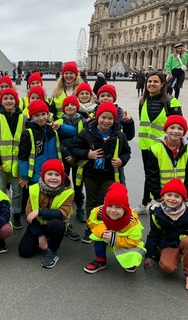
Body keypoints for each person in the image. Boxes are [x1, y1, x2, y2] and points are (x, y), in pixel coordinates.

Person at [70, 102, 131, 243]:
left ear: (114, 120)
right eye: (103, 117)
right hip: (91, 174)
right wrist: (87, 154)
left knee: (110, 202)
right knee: (91, 202)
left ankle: (110, 227)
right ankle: (91, 228)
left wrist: (122, 160)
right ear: (97, 117)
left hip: (109, 175)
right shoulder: (86, 133)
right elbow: (74, 148)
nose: (106, 121)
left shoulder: (119, 135)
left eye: (110, 118)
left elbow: (127, 152)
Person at [144, 179, 188, 293]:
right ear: (163, 196)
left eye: (177, 196)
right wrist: (148, 255)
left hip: (187, 239)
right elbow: (154, 234)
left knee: (187, 241)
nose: (172, 199)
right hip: (169, 242)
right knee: (167, 268)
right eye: (169, 195)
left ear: (183, 199)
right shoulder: (156, 213)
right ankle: (174, 254)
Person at [18, 100, 76, 224]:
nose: (41, 118)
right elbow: (22, 157)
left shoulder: (53, 129)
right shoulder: (28, 133)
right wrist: (24, 176)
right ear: (31, 116)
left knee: (51, 200)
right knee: (36, 200)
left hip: (53, 173)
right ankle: (34, 221)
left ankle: (50, 220)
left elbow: (73, 131)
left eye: (44, 114)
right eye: (37, 115)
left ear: (48, 114)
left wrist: (60, 127)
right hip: (36, 174)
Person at [135, 71, 182, 215]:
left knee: (163, 175)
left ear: (163, 84)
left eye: (155, 81)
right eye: (149, 81)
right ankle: (146, 203)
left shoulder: (171, 102)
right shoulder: (143, 101)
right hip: (146, 145)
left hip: (163, 147)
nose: (151, 84)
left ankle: (162, 203)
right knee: (149, 175)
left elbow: (178, 126)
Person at [18, 159, 74, 269]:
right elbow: (29, 215)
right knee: (24, 251)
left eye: (57, 175)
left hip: (54, 226)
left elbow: (62, 214)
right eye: (49, 174)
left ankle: (52, 251)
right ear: (43, 176)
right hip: (37, 224)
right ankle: (43, 240)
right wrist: (40, 235)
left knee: (57, 224)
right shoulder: (34, 189)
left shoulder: (67, 192)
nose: (53, 177)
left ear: (62, 177)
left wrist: (40, 212)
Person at [84, 183, 145, 273]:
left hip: (125, 242)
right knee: (97, 236)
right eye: (109, 206)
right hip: (106, 237)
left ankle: (130, 263)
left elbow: (135, 241)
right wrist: (103, 231)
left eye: (118, 207)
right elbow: (90, 222)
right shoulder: (98, 212)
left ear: (125, 209)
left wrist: (114, 238)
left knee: (132, 258)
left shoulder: (132, 221)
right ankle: (100, 260)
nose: (112, 210)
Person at [0, 89, 26, 229]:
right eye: (6, 98)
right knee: (0, 189)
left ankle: (16, 214)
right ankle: (2, 213)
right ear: (1, 101)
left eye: (11, 98)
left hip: (17, 163)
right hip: (2, 163)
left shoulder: (23, 118)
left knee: (17, 191)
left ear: (16, 101)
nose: (9, 101)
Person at [146, 115, 188, 202]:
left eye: (180, 128)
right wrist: (157, 195)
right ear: (166, 129)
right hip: (161, 197)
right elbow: (152, 175)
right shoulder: (155, 149)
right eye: (172, 127)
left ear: (184, 131)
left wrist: (187, 195)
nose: (175, 131)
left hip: (183, 197)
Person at [56, 96, 87, 225]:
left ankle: (80, 206)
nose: (70, 107)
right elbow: (58, 140)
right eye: (67, 105)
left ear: (77, 107)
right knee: (63, 182)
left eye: (72, 105)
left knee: (78, 182)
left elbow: (86, 140)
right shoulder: (58, 121)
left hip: (78, 157)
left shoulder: (84, 122)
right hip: (64, 157)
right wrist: (67, 155)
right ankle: (62, 206)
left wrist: (75, 156)